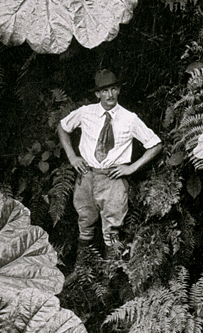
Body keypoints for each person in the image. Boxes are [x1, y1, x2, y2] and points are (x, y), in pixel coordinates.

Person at [58, 68, 162, 253]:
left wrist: (132, 168)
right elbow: (63, 127)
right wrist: (72, 157)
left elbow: (155, 144)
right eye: (104, 90)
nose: (110, 94)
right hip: (87, 175)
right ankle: (83, 270)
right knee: (85, 221)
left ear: (119, 90)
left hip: (113, 179)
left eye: (113, 89)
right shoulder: (86, 113)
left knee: (113, 229)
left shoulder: (129, 119)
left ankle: (110, 274)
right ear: (97, 93)